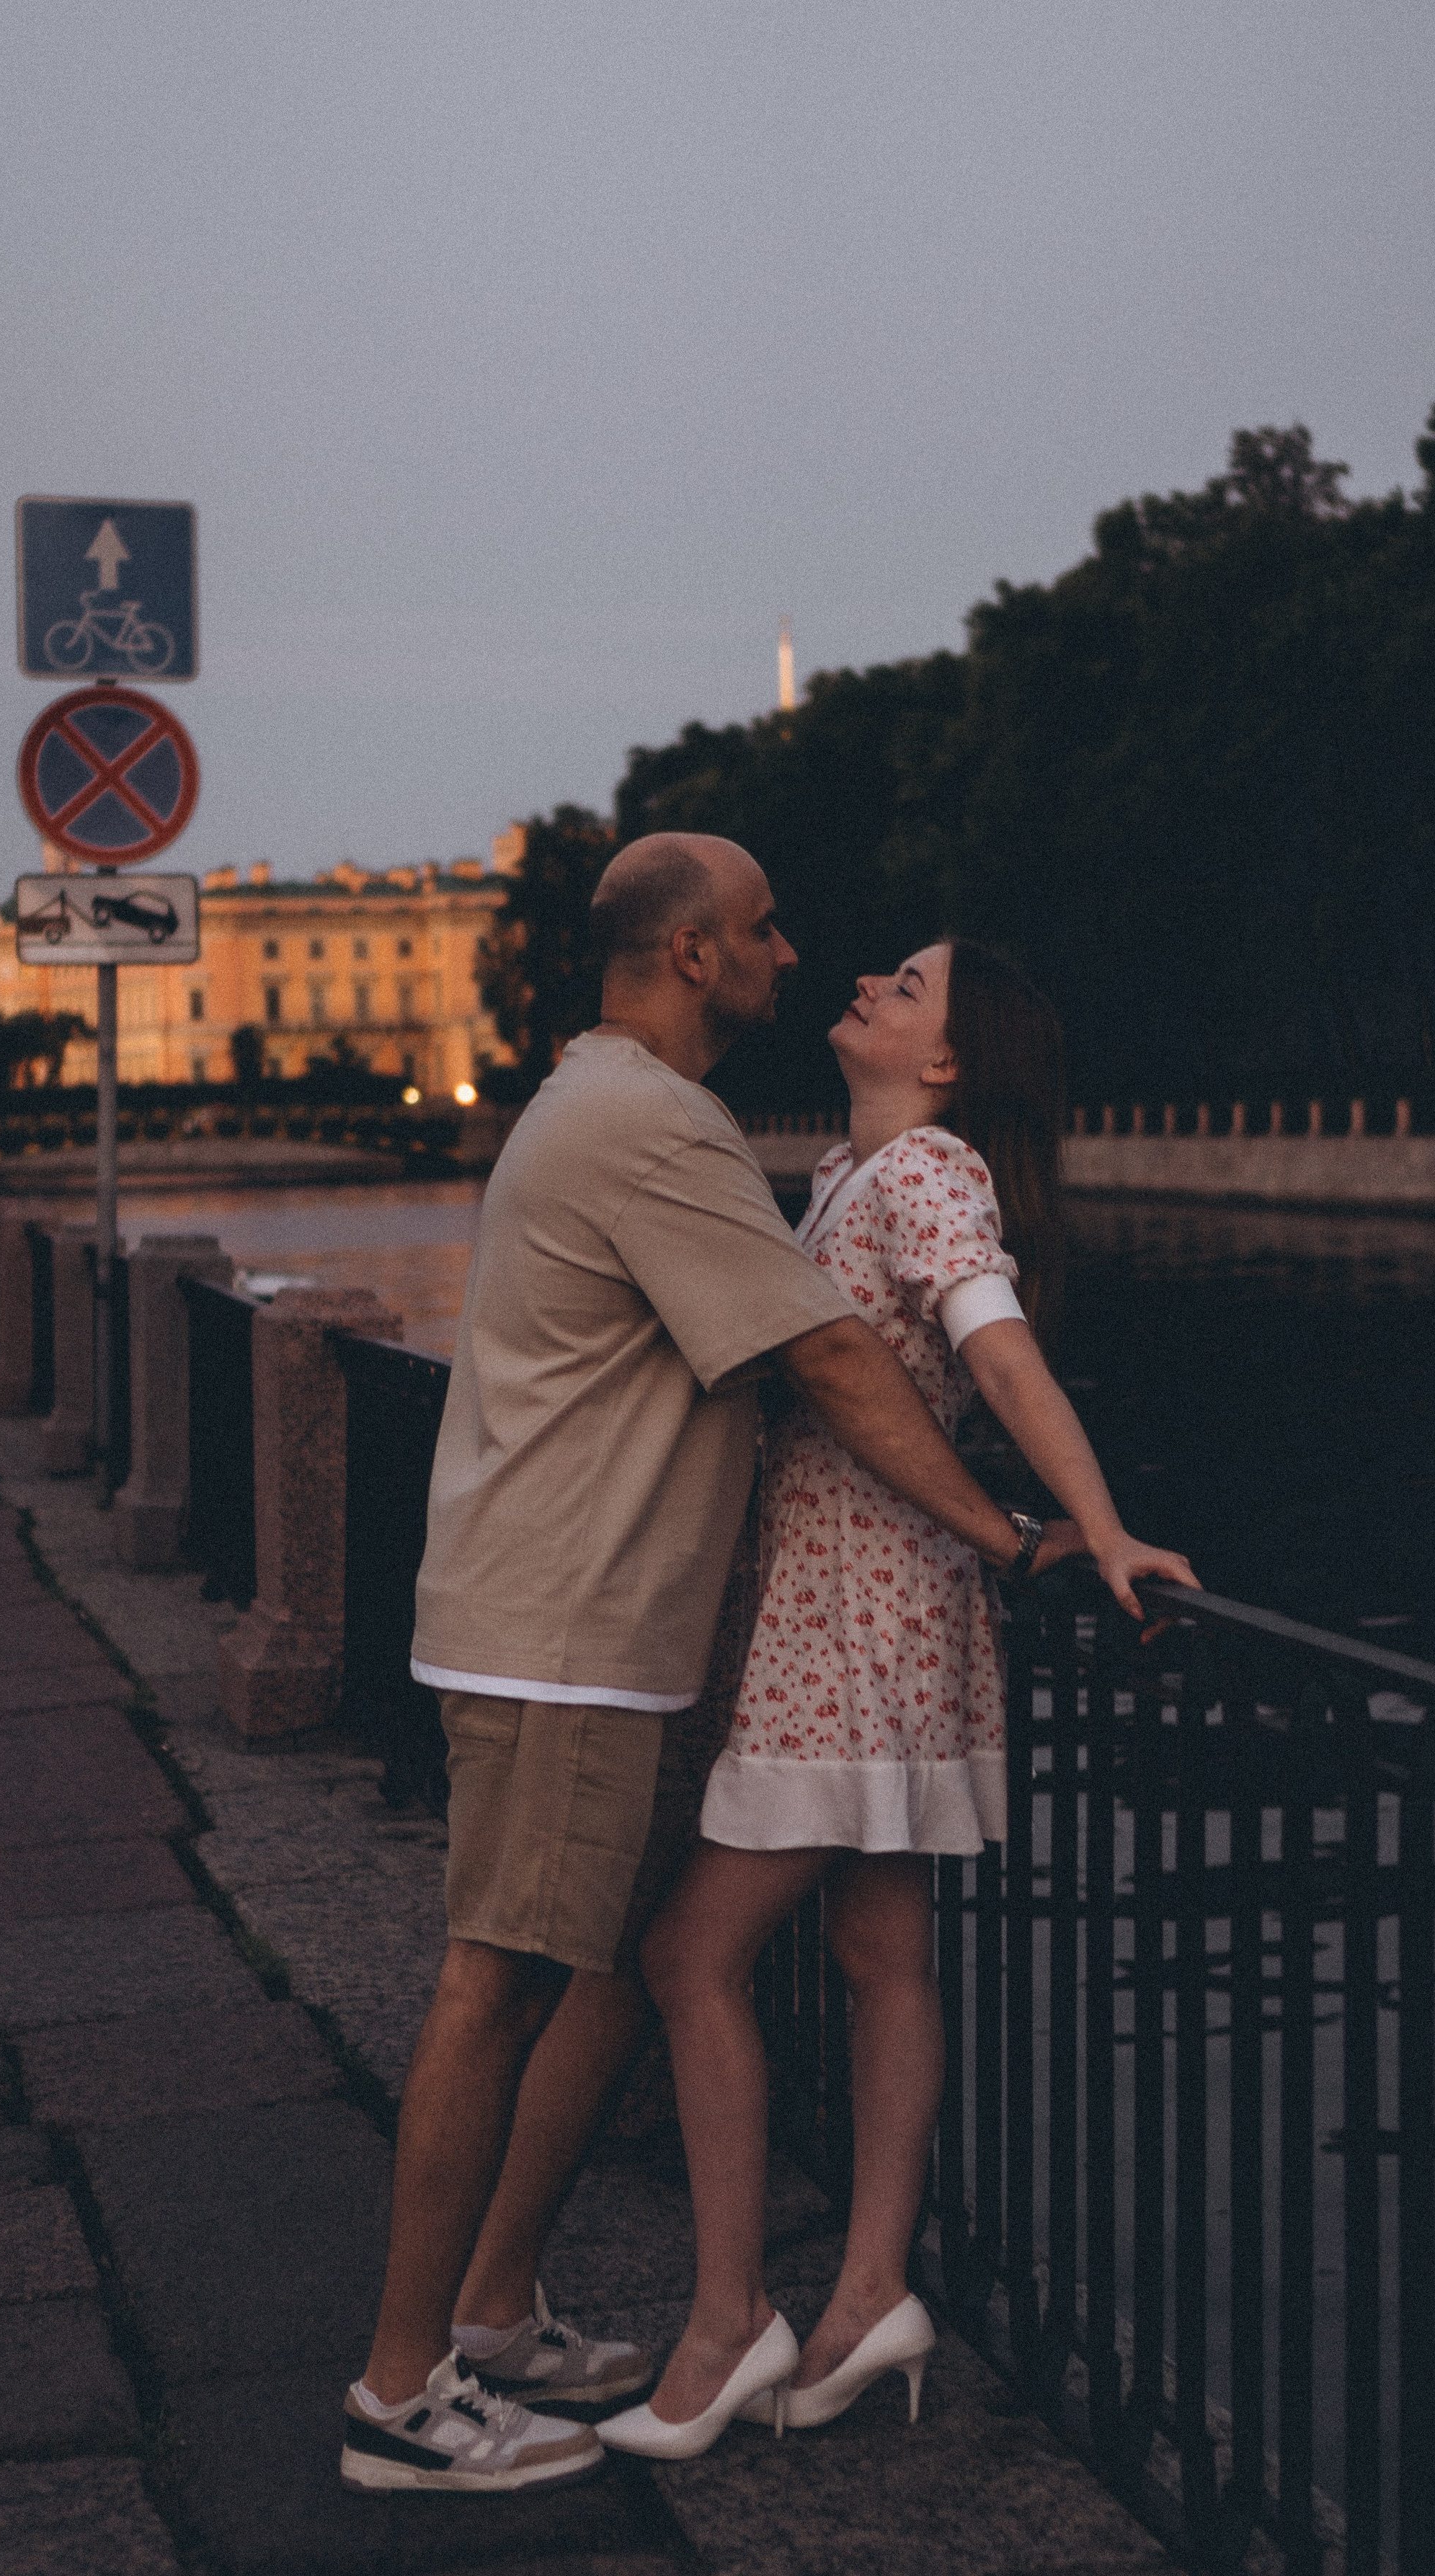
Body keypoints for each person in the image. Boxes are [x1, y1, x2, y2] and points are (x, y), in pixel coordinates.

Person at [342, 849, 1083, 2495]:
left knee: (612, 1965)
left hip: (614, 1624)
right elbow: (824, 1355)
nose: (791, 952)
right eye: (760, 931)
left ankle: (499, 2301)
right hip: (568, 1631)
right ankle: (401, 2396)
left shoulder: (614, 1106)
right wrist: (1008, 1534)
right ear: (691, 952)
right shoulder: (659, 1130)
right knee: (503, 1977)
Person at [598, 938, 1198, 2461]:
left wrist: (1102, 1525)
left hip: (853, 1617)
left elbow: (997, 1356)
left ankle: (727, 2322)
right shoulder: (841, 1176)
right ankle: (869, 2292)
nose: (868, 980)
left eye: (908, 983)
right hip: (871, 1606)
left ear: (947, 1062)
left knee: (686, 1954)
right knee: (880, 1950)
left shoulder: (927, 1169)